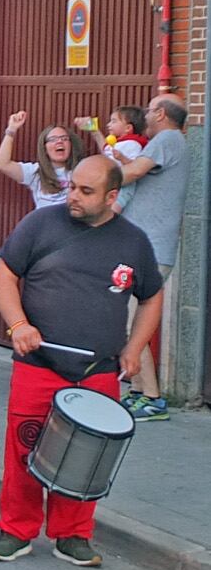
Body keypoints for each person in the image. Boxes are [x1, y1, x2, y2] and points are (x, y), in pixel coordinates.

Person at [0, 156, 162, 568]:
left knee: (86, 455)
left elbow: (152, 296)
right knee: (24, 447)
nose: (74, 197)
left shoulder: (133, 242)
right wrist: (17, 325)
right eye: (72, 187)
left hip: (97, 371)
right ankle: (16, 529)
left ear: (112, 196)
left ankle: (73, 535)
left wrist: (134, 349)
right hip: (39, 364)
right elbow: (3, 274)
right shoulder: (40, 224)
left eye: (86, 191)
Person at [116, 94, 190, 421]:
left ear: (160, 114)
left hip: (152, 249)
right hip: (146, 247)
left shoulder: (168, 139)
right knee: (130, 323)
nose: (145, 114)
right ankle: (137, 391)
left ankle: (153, 398)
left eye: (149, 109)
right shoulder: (169, 142)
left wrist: (96, 175)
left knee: (137, 325)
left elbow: (131, 174)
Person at [0, 112, 81, 210]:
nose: (59, 141)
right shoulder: (35, 172)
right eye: (53, 139)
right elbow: (3, 165)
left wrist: (95, 132)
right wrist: (11, 130)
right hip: (45, 224)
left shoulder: (81, 170)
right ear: (44, 148)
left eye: (64, 138)